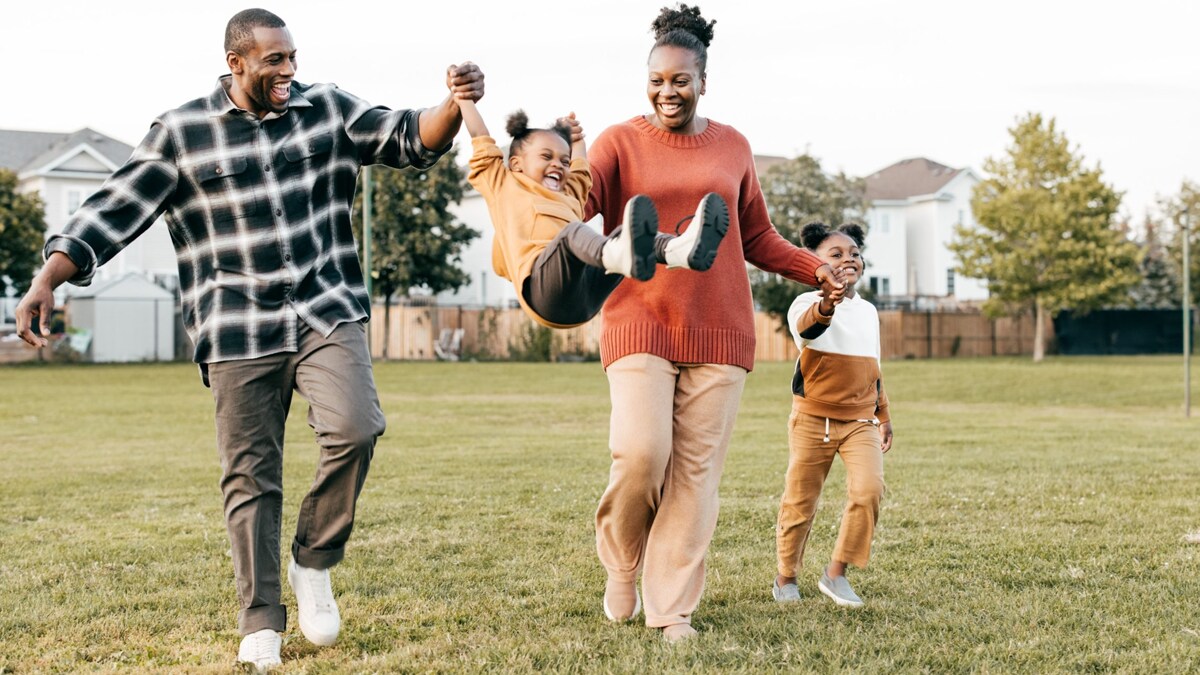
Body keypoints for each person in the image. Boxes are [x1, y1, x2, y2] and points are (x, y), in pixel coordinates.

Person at [12, 8, 483, 669]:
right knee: (251, 476)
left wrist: (454, 104)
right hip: (235, 324)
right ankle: (261, 620)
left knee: (357, 427)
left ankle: (313, 560)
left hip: (325, 308)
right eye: (274, 61)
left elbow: (408, 137)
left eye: (293, 57)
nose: (289, 70)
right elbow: (114, 208)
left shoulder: (327, 108)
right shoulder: (183, 132)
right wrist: (48, 277)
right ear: (236, 63)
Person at [585, 3, 845, 642]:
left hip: (720, 330)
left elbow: (757, 234)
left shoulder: (733, 145)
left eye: (680, 80)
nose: (666, 91)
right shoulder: (617, 141)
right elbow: (576, 206)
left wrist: (817, 270)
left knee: (695, 477)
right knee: (642, 455)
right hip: (639, 319)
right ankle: (622, 559)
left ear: (703, 80)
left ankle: (671, 607)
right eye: (657, 80)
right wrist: (551, 165)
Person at [456, 96, 729, 328]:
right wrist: (464, 99)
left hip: (585, 299)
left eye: (564, 161)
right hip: (543, 295)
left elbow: (581, 170)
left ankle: (680, 250)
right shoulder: (504, 185)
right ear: (515, 164)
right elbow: (481, 140)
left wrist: (576, 139)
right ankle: (617, 255)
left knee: (622, 234)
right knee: (576, 232)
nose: (559, 166)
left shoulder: (570, 195)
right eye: (546, 157)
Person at [772, 223, 894, 608]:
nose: (848, 259)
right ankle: (786, 577)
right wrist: (828, 302)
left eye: (854, 253)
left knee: (869, 490)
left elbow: (873, 365)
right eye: (836, 254)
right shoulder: (803, 304)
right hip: (812, 420)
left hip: (860, 421)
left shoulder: (869, 311)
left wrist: (884, 413)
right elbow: (809, 330)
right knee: (800, 501)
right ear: (817, 263)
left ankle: (836, 572)